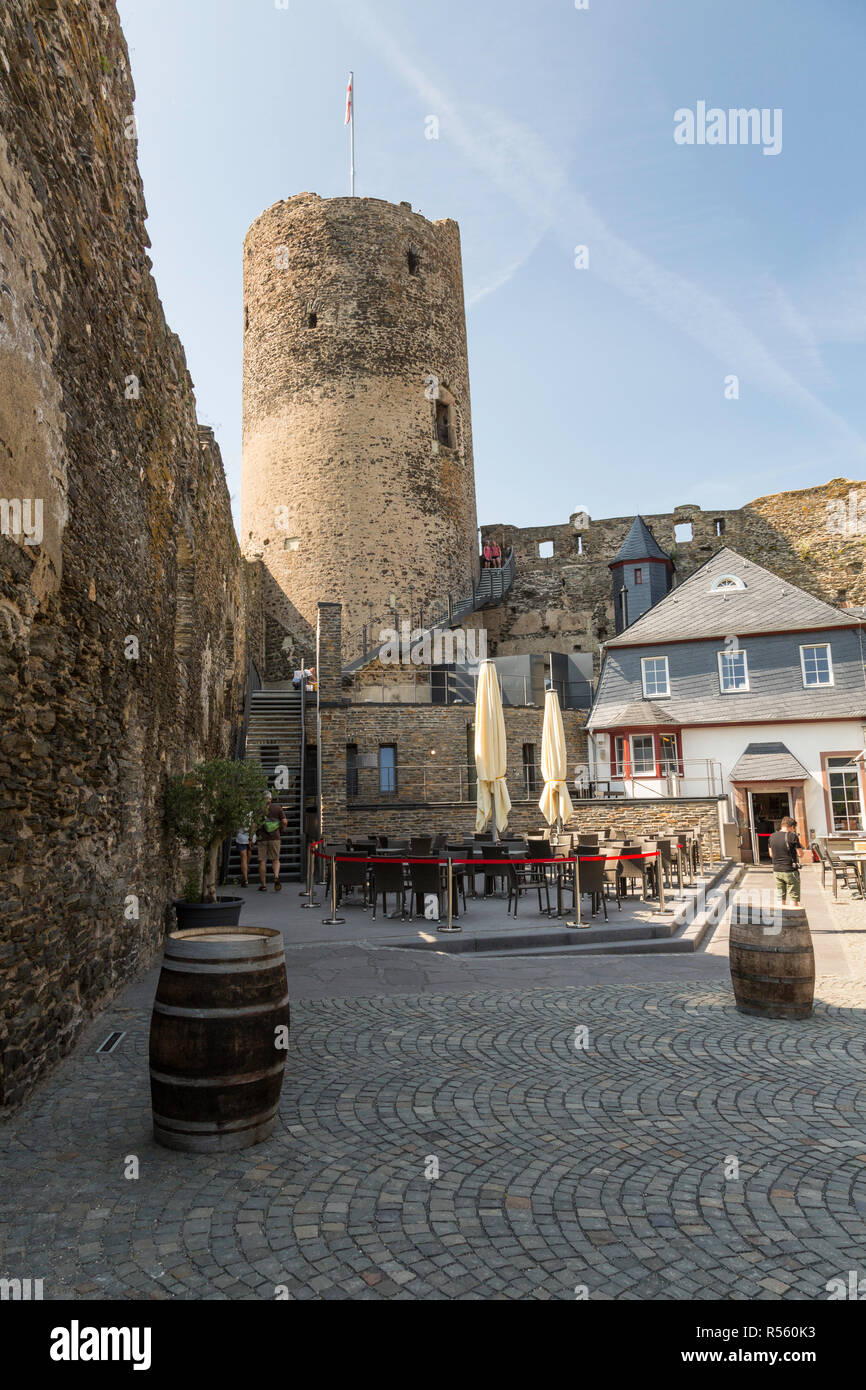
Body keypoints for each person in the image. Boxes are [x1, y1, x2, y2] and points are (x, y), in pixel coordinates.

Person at [768, 815, 803, 905]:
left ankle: (782, 916)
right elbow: (800, 854)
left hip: (777, 870)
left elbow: (771, 854)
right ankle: (793, 917)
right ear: (792, 827)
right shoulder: (792, 836)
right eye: (794, 828)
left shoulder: (772, 836)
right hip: (790, 870)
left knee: (780, 898)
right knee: (793, 898)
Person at [257, 790, 287, 892]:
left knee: (262, 861)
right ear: (271, 798)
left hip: (262, 838)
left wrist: (250, 838)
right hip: (275, 837)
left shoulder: (259, 809)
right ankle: (276, 876)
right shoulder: (278, 808)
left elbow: (254, 824)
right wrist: (282, 830)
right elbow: (284, 821)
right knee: (276, 859)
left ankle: (263, 885)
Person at [235, 814, 255, 888]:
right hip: (251, 836)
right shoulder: (253, 809)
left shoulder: (238, 810)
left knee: (243, 857)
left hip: (241, 836)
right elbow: (254, 825)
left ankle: (245, 879)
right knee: (248, 853)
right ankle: (246, 870)